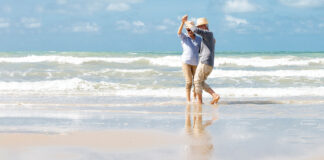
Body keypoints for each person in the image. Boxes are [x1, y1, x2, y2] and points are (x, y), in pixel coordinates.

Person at [185, 16, 220, 104]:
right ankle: (214, 95)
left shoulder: (209, 34)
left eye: (200, 26)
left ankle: (200, 102)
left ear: (204, 26)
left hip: (205, 62)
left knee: (196, 81)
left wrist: (186, 22)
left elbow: (196, 30)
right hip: (208, 63)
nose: (198, 28)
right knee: (200, 82)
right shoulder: (208, 37)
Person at [178, 15, 202, 103]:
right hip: (186, 63)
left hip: (196, 63)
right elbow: (179, 32)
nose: (189, 31)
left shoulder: (199, 39)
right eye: (187, 29)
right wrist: (183, 22)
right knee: (189, 82)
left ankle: (195, 98)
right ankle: (188, 100)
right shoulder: (184, 38)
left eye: (190, 29)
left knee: (196, 83)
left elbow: (202, 50)